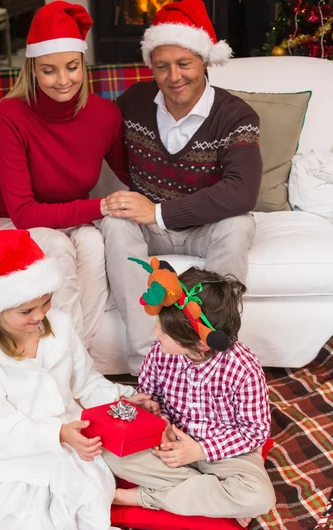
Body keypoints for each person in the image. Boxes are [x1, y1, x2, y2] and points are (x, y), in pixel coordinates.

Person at [0, 227, 157, 530]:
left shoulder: (61, 329)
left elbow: (88, 383)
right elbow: (0, 427)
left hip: (68, 447)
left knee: (89, 498)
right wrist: (58, 433)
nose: (40, 316)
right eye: (26, 311)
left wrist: (124, 400)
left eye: (45, 303)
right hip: (11, 453)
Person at [99, 0, 263, 374]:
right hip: (151, 232)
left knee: (239, 223)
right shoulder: (133, 103)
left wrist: (157, 211)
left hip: (202, 228)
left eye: (184, 63)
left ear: (204, 61)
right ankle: (148, 365)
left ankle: (212, 358)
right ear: (151, 68)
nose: (174, 76)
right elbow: (93, 135)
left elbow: (242, 192)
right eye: (162, 66)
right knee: (114, 222)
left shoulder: (235, 115)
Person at [0, 1, 128, 350]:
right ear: (32, 69)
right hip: (7, 222)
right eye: (49, 70)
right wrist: (101, 206)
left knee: (92, 243)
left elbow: (132, 175)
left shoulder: (106, 115)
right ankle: (68, 363)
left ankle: (79, 358)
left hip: (65, 219)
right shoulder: (10, 114)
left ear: (83, 65)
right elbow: (24, 214)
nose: (63, 80)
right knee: (59, 246)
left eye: (72, 67)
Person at [104, 260, 276, 526]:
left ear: (199, 344)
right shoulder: (159, 353)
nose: (155, 332)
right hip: (167, 446)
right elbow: (149, 399)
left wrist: (199, 450)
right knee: (109, 454)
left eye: (164, 331)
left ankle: (145, 497)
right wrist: (151, 414)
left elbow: (254, 432)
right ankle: (211, 495)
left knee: (259, 497)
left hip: (224, 454)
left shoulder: (243, 368)